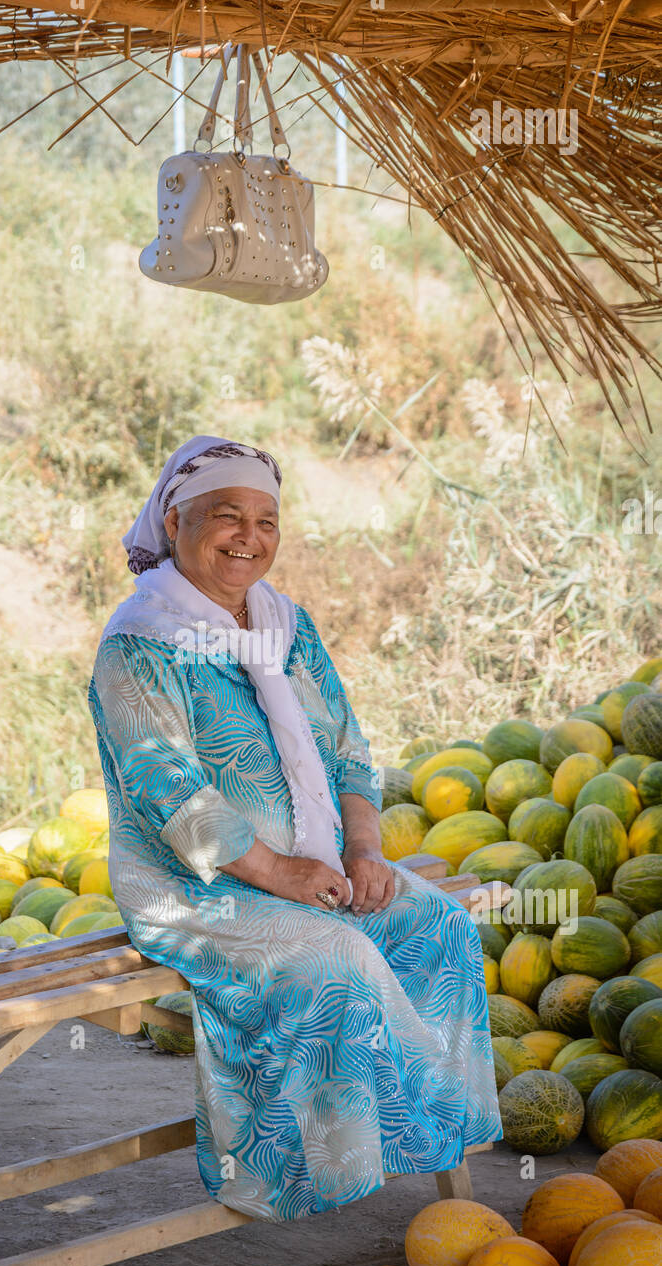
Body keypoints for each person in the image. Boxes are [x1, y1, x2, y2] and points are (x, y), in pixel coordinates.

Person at [87, 434, 502, 1222]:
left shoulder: (285, 625)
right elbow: (168, 793)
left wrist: (366, 850)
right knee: (337, 955)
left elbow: (347, 746)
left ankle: (415, 1139)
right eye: (226, 515)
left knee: (438, 925)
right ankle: (288, 1170)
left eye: (266, 519)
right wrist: (281, 874)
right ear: (174, 522)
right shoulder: (138, 643)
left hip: (316, 862)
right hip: (192, 886)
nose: (249, 536)